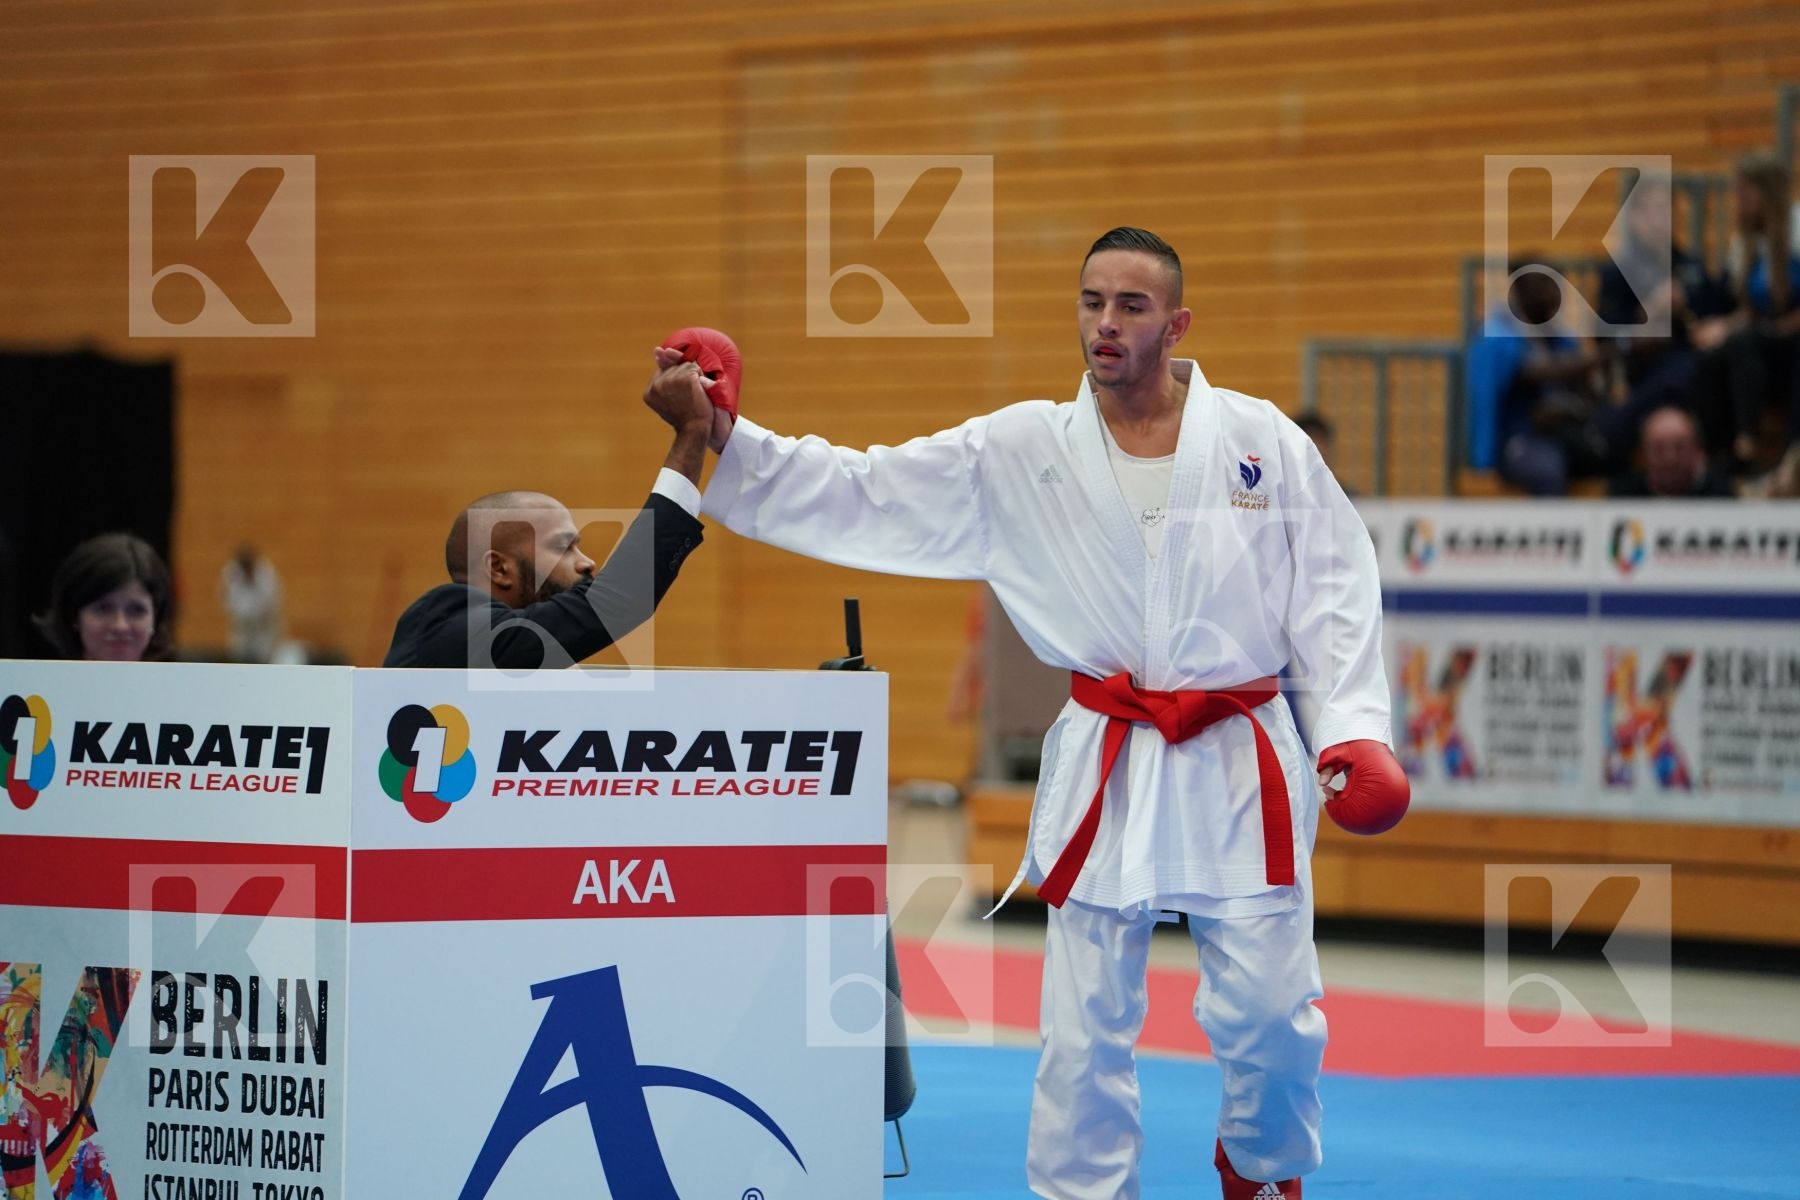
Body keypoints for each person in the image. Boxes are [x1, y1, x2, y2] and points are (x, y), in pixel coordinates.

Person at [697, 228, 1409, 1199]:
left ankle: (1260, 1161)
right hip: (1109, 753)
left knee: (1275, 1015)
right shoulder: (1023, 448)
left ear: (1178, 323)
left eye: (1131, 306)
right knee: (1082, 1033)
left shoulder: (1260, 443)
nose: (1105, 324)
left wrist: (1352, 728)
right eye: (1091, 302)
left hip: (1238, 754)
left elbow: (1334, 584)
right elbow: (872, 490)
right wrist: (733, 443)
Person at [383, 355, 718, 670]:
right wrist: (693, 431)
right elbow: (617, 601)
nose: (588, 562)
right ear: (499, 568)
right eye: (562, 547)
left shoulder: (518, 657)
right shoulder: (445, 623)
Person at [1464, 264, 1616, 494]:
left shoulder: (1562, 338)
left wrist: (1573, 408)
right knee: (1547, 469)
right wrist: (1605, 354)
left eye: (1557, 286)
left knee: (1615, 459)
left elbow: (1585, 389)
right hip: (1517, 440)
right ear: (1520, 289)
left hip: (1563, 435)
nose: (1554, 293)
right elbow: (1536, 371)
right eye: (1545, 285)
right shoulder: (1499, 333)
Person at [1692, 151, 1800, 470]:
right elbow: (1748, 311)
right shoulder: (1744, 242)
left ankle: (1787, 445)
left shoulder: (1797, 226)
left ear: (1767, 192)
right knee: (1714, 356)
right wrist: (1721, 326)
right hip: (1766, 338)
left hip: (1793, 335)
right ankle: (1724, 450)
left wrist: (1785, 327)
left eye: (1744, 192)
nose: (1738, 200)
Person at [33, 533, 172, 662]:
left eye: (136, 610)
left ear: (156, 617)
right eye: (103, 609)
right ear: (74, 616)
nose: (120, 626)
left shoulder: (180, 687)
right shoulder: (39, 687)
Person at [1609, 406, 1735, 498]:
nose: (1670, 458)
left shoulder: (1722, 497)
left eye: (1679, 447)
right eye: (1659, 448)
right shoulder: (1623, 497)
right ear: (1643, 454)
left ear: (1698, 450)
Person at [221, 544, 283, 663]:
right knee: (240, 652)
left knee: (264, 653)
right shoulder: (231, 573)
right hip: (241, 625)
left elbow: (272, 599)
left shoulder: (265, 573)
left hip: (263, 625)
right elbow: (226, 598)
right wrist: (241, 614)